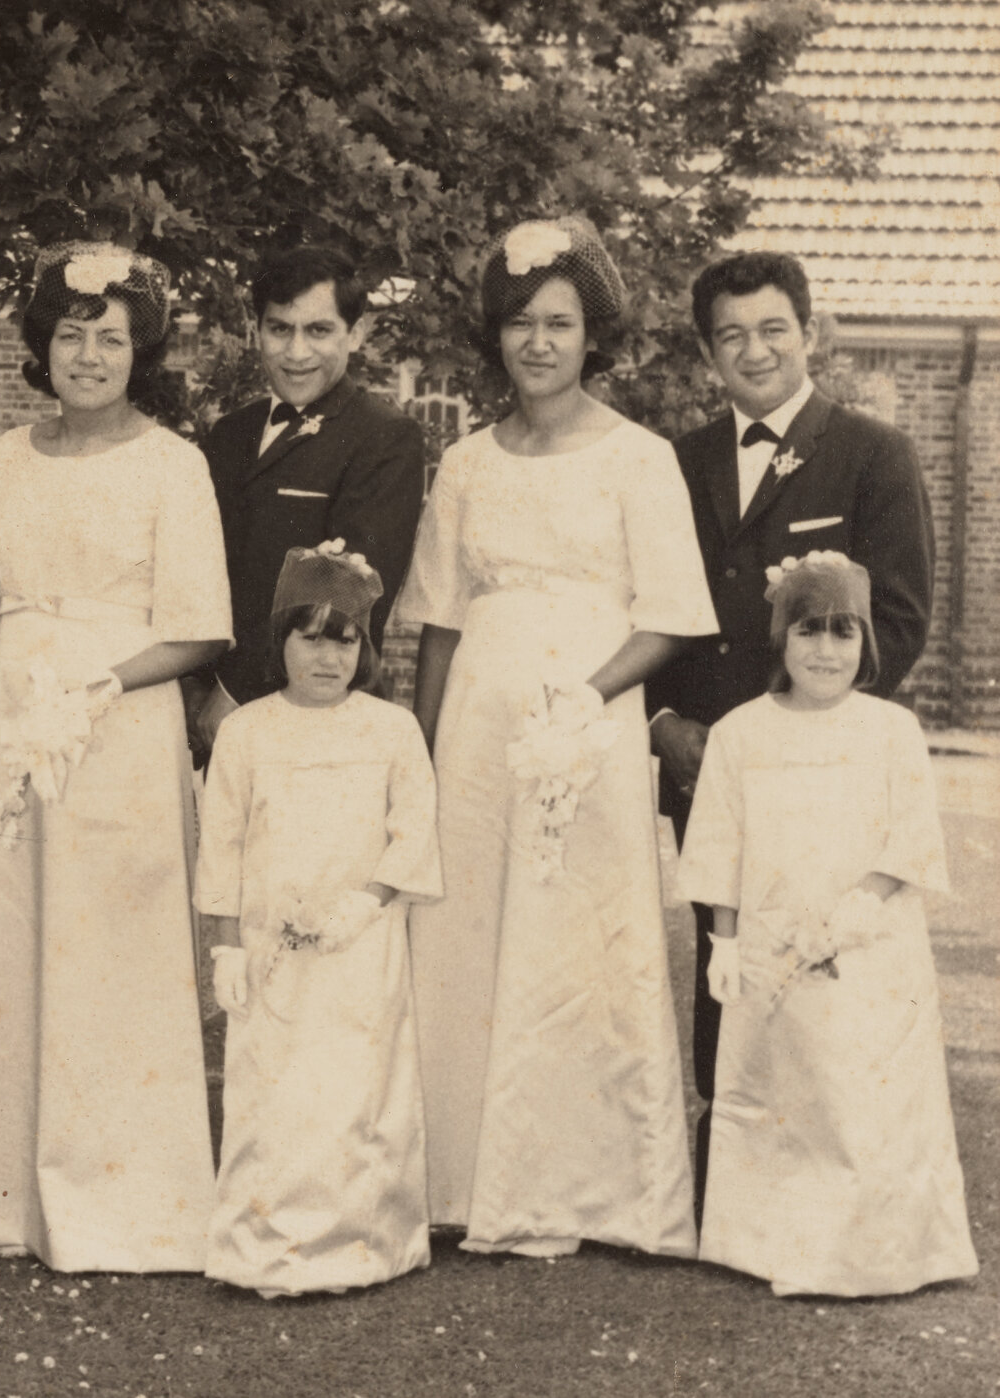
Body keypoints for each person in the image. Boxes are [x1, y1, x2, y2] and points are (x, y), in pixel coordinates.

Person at [399, 215, 715, 1258]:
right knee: (470, 927)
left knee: (581, 935)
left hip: (587, 721)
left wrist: (584, 697)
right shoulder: (465, 462)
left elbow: (668, 613)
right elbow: (440, 619)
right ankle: (455, 1175)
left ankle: (588, 1188)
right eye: (520, 323)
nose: (538, 341)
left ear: (592, 336)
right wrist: (428, 754)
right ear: (495, 336)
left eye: (559, 323)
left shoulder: (639, 458)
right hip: (481, 725)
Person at [0, 242, 232, 1273]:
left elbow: (200, 630)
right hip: (23, 719)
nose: (89, 355)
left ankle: (124, 1203)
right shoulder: (6, 458)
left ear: (139, 353)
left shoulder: (172, 464)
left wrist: (99, 684)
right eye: (70, 335)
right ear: (41, 347)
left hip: (121, 726)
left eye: (110, 338)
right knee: (19, 941)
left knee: (112, 953)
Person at [644, 251, 936, 1214]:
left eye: (772, 329)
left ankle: (839, 1167)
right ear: (705, 351)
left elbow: (895, 617)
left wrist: (814, 725)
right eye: (729, 335)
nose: (753, 350)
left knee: (828, 958)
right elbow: (653, 606)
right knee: (726, 946)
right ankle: (731, 1160)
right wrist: (664, 723)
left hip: (826, 768)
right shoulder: (673, 464)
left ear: (807, 334)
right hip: (709, 763)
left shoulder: (868, 453)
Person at [676, 552, 975, 1296]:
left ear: (865, 646)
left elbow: (908, 836)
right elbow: (718, 840)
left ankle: (873, 1246)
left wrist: (859, 904)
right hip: (771, 946)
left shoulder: (889, 728)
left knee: (862, 1086)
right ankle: (770, 1241)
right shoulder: (743, 734)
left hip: (868, 940)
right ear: (781, 642)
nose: (824, 652)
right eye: (808, 632)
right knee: (782, 1088)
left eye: (842, 635)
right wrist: (723, 937)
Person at [197, 541, 441, 1298]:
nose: (327, 658)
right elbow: (224, 846)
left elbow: (415, 831)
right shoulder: (245, 733)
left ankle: (362, 1241)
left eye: (345, 640)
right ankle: (262, 1243)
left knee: (354, 1088)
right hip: (273, 948)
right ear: (281, 643)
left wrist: (365, 902)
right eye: (310, 637)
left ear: (363, 650)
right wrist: (226, 948)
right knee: (273, 1090)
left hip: (358, 947)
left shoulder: (391, 730)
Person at [196, 246, 427, 745]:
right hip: (199, 708)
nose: (296, 352)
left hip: (315, 716)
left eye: (318, 331)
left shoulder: (384, 437)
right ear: (257, 330)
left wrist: (234, 693)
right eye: (280, 329)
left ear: (356, 333)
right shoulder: (229, 435)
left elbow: (348, 591)